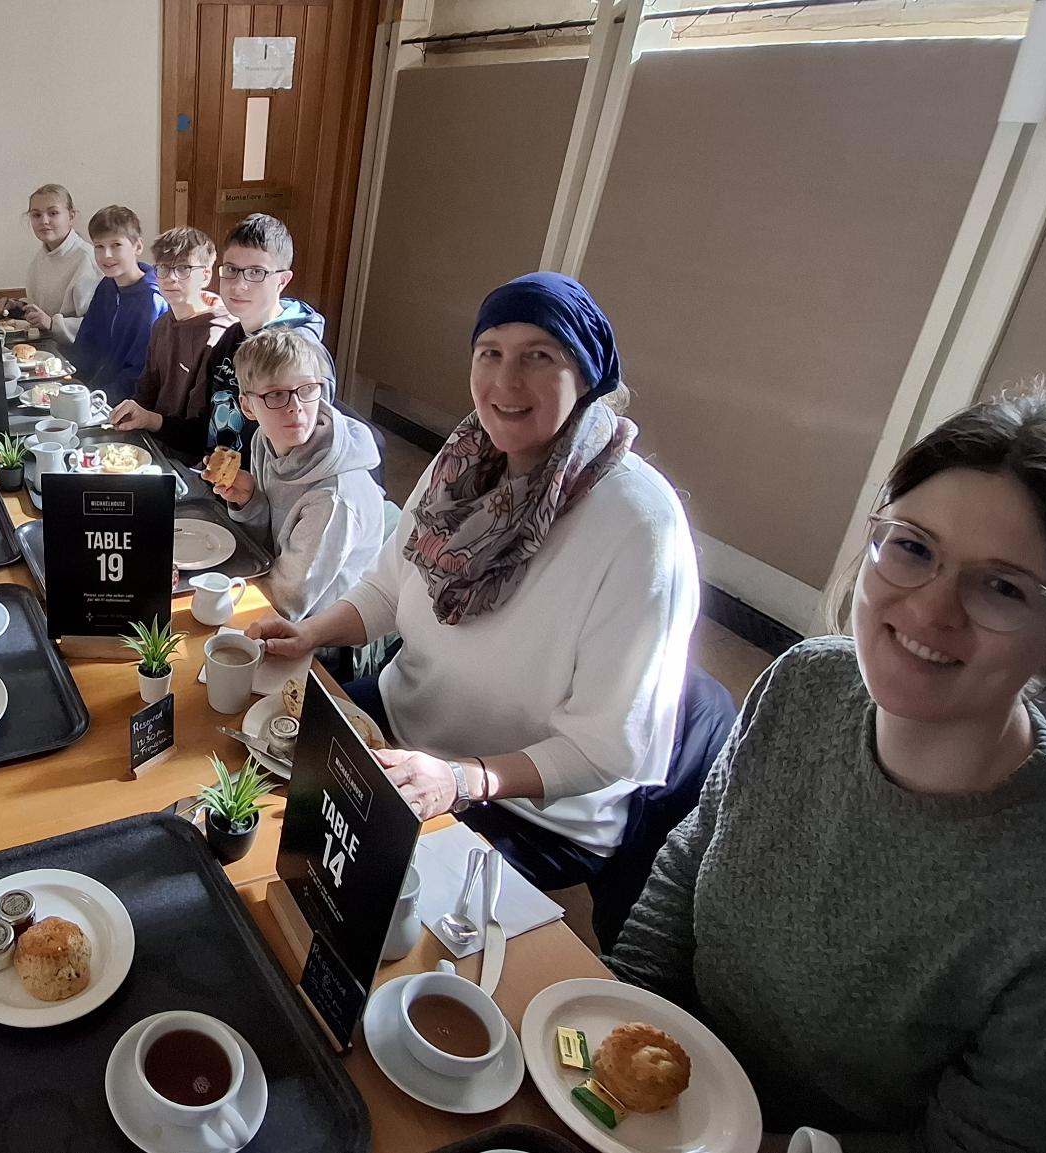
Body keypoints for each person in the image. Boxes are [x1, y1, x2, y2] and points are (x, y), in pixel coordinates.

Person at [608, 386, 1046, 1152]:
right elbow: (689, 864)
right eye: (913, 547)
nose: (931, 611)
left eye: (1002, 587)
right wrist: (609, 1040)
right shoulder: (803, 684)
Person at [248, 272, 698, 890]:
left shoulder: (639, 525)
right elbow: (389, 587)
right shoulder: (464, 459)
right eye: (490, 353)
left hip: (524, 807)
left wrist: (462, 779)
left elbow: (604, 750)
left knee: (355, 898)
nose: (506, 382)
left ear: (588, 376)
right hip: (402, 725)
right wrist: (310, 633)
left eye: (539, 356)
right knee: (245, 806)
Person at [211, 328, 382, 619]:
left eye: (307, 389)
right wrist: (251, 502)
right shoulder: (266, 441)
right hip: (273, 588)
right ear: (247, 407)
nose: (296, 407)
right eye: (276, 394)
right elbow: (267, 551)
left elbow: (285, 603)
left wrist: (214, 593)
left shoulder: (333, 498)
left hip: (320, 629)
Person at [196, 213, 330, 461]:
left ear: (282, 281)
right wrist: (154, 421)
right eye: (231, 270)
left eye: (256, 272)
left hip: (264, 484)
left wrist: (253, 485)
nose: (239, 285)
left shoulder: (300, 354)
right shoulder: (229, 339)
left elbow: (309, 458)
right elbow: (205, 425)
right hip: (216, 474)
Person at [107, 225, 233, 450]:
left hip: (189, 453)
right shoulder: (162, 324)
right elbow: (147, 390)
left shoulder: (218, 337)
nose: (171, 278)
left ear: (205, 275)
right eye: (163, 268)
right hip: (152, 440)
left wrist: (149, 420)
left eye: (183, 268)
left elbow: (200, 432)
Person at [68, 205, 168, 404]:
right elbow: (86, 343)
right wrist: (72, 384)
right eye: (99, 246)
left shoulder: (151, 300)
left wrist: (95, 399)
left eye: (116, 245)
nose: (106, 255)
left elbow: (139, 371)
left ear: (138, 247)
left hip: (124, 402)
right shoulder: (106, 285)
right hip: (91, 393)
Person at [0, 183, 101, 345]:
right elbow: (41, 305)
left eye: (53, 213)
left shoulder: (87, 259)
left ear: (71, 216)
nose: (44, 221)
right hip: (46, 344)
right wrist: (17, 306)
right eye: (36, 215)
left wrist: (52, 324)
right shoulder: (42, 256)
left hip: (77, 353)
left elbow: (97, 325)